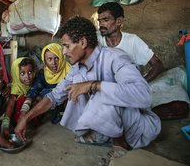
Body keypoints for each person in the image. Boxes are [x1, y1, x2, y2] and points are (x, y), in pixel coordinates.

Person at [15, 16, 161, 156]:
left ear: (83, 42)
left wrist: (93, 85)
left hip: (137, 129)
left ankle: (120, 145)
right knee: (75, 87)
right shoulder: (77, 69)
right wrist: (25, 118)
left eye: (66, 46)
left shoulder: (115, 57)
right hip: (112, 125)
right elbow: (54, 96)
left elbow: (144, 95)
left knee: (100, 93)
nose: (64, 52)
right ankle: (104, 135)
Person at [96, 1, 163, 82]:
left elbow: (157, 65)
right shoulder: (95, 38)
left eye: (106, 20)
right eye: (99, 21)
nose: (101, 25)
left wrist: (140, 84)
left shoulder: (132, 41)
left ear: (119, 21)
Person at [22, 43, 71, 124]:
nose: (53, 63)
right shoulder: (44, 73)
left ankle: (63, 114)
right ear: (44, 61)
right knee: (37, 96)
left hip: (65, 103)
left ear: (62, 57)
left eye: (57, 58)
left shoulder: (69, 72)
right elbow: (35, 88)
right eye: (49, 59)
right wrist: (24, 109)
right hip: (51, 103)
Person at [2, 57, 36, 138]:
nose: (27, 76)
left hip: (28, 115)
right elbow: (10, 106)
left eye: (30, 72)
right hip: (19, 117)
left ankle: (30, 122)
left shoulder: (36, 83)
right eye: (22, 73)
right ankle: (18, 124)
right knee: (21, 99)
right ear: (16, 74)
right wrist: (5, 125)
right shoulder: (15, 88)